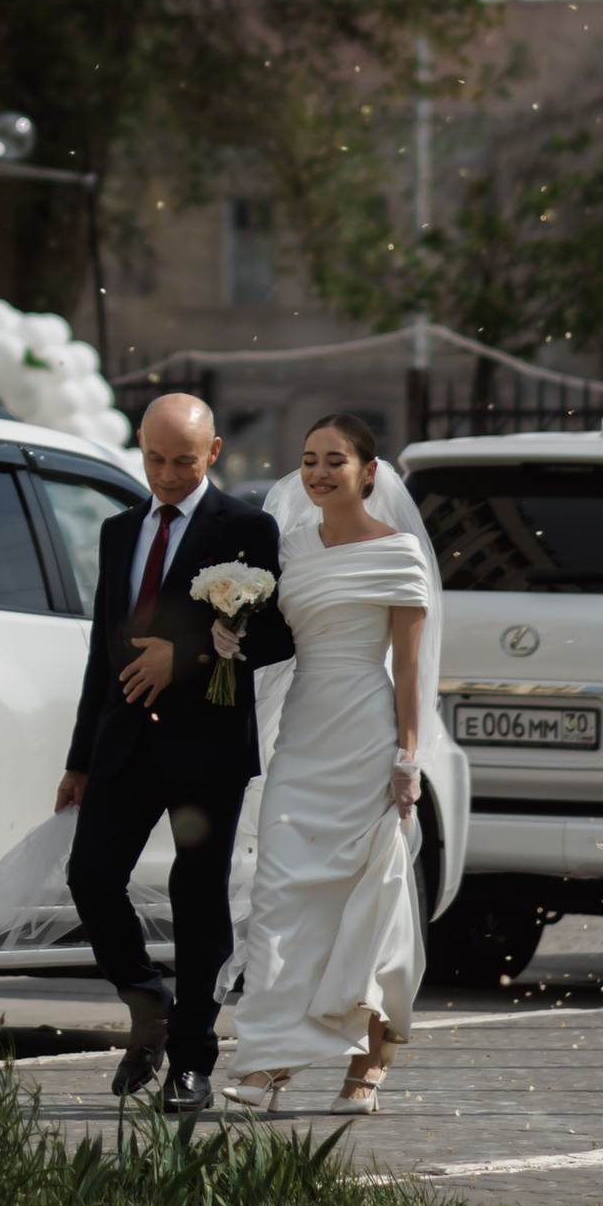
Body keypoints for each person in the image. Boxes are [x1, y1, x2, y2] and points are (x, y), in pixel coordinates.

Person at [57, 390, 291, 1112]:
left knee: (198, 900)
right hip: (124, 740)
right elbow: (104, 650)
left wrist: (184, 654)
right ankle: (146, 1002)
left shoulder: (246, 525)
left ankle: (193, 1060)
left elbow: (276, 636)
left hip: (207, 745)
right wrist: (80, 757)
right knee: (91, 877)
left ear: (213, 453)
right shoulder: (118, 530)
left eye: (182, 460)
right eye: (154, 457)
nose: (165, 473)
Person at [226, 411, 436, 1117]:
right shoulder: (290, 549)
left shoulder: (399, 552)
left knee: (365, 897)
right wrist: (231, 634)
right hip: (303, 736)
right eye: (309, 459)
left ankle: (370, 1057)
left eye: (335, 460)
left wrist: (409, 757)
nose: (318, 472)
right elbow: (277, 640)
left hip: (367, 738)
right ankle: (266, 1060)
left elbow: (408, 669)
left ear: (368, 472)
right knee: (278, 895)